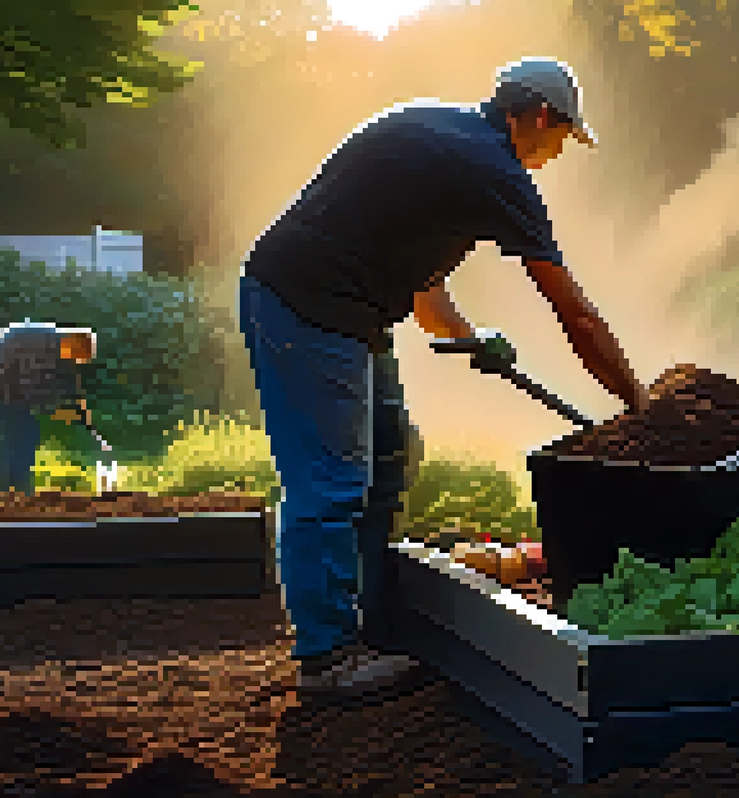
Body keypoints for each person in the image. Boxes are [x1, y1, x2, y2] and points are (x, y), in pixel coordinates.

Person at [238, 57, 648, 701]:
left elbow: (422, 285)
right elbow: (575, 314)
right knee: (331, 484)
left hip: (344, 309)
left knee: (389, 459)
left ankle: (372, 626)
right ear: (542, 117)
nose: (560, 151)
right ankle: (327, 661)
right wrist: (641, 406)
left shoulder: (436, 131)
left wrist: (469, 341)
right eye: (564, 136)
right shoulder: (496, 172)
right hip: (306, 307)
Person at [0, 322, 98, 495]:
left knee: (25, 434)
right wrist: (55, 411)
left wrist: (82, 409)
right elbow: (30, 386)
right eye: (76, 357)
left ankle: (15, 488)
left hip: (18, 391)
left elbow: (69, 381)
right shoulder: (39, 347)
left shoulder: (60, 346)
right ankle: (14, 489)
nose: (74, 361)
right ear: (72, 343)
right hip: (1, 390)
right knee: (21, 436)